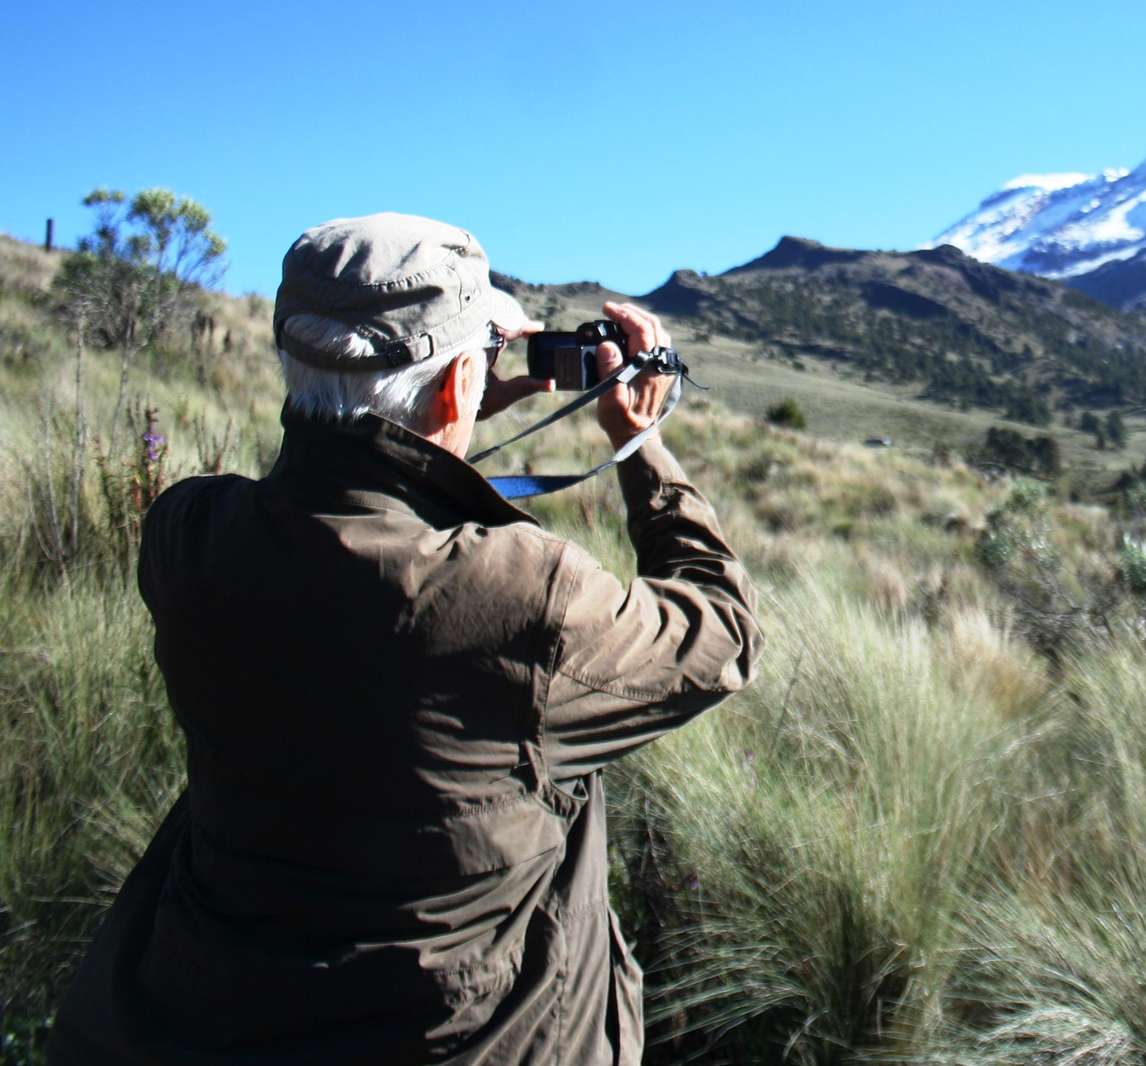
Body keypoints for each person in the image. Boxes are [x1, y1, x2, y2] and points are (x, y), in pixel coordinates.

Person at [49, 213, 762, 1065]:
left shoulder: (189, 538)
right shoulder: (523, 594)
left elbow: (339, 506)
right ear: (459, 386)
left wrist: (442, 404)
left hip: (200, 1023)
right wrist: (640, 443)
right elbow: (721, 631)